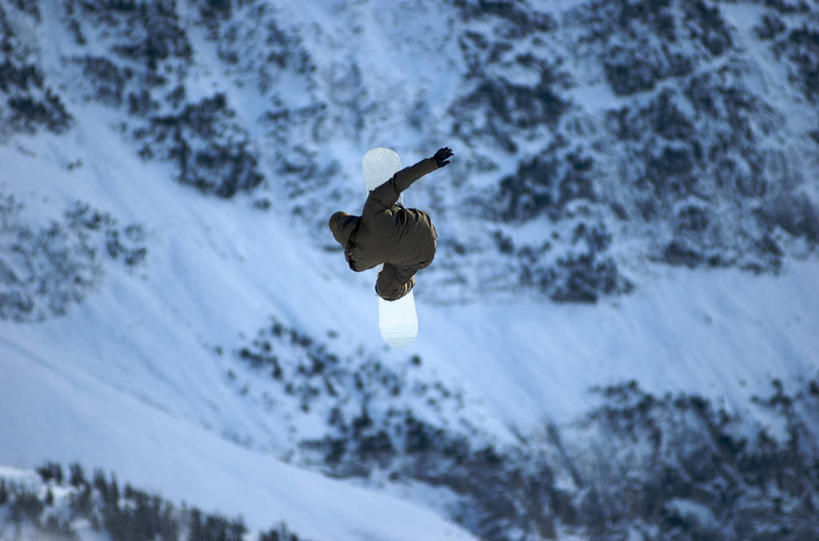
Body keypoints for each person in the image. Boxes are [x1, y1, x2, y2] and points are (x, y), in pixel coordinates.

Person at [329, 147, 453, 301]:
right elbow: (399, 182)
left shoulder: (358, 261)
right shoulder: (371, 210)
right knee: (390, 195)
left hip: (423, 255)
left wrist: (349, 253)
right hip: (422, 224)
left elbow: (354, 266)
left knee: (385, 290)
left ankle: (405, 278)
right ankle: (393, 209)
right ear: (351, 219)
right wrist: (432, 163)